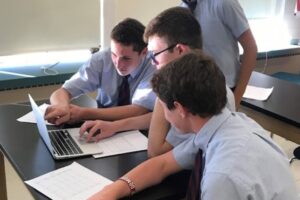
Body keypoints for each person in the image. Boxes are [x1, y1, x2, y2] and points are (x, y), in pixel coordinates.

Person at [88, 51, 298, 200]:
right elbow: (160, 165)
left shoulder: (223, 177)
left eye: (162, 107)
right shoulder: (225, 126)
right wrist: (112, 191)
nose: (162, 117)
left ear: (179, 108)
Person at [78, 7, 235, 143]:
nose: (152, 62)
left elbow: (156, 149)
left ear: (180, 51)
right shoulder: (182, 84)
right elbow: (157, 119)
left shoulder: (204, 93)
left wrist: (162, 85)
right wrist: (115, 126)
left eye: (154, 55)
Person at [44, 18, 156, 137]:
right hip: (101, 127)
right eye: (114, 55)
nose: (117, 63)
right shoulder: (102, 59)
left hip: (140, 131)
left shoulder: (154, 65)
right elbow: (63, 91)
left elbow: (138, 110)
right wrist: (62, 107)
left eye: (126, 58)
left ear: (144, 52)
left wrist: (84, 113)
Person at [181, 0, 258, 106]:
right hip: (197, 91)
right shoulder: (183, 9)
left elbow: (251, 48)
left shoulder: (224, 3)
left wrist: (236, 99)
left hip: (226, 90)